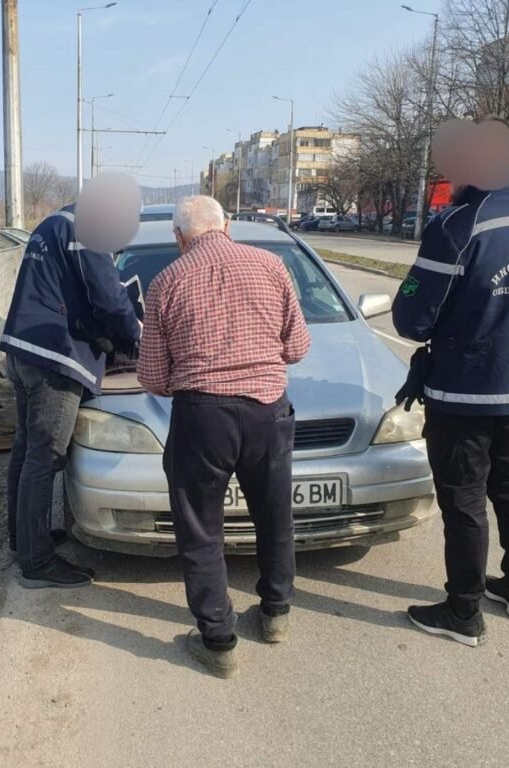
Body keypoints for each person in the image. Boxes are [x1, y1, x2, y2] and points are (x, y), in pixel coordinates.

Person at [392, 117, 509, 647]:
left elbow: (413, 318)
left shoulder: (457, 224)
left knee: (464, 498)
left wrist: (412, 292)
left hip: (465, 388)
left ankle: (463, 611)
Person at [138, 196, 311, 678]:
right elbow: (297, 347)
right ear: (227, 226)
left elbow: (152, 376)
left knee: (200, 528)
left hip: (202, 418)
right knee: (274, 516)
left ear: (178, 237)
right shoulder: (271, 266)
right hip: (267, 413)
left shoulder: (166, 281)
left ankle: (218, 641)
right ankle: (275, 614)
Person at [0, 203, 141, 589]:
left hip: (23, 351)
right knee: (45, 458)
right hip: (55, 358)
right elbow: (109, 298)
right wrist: (137, 336)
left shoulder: (54, 223)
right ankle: (37, 562)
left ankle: (24, 539)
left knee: (26, 450)